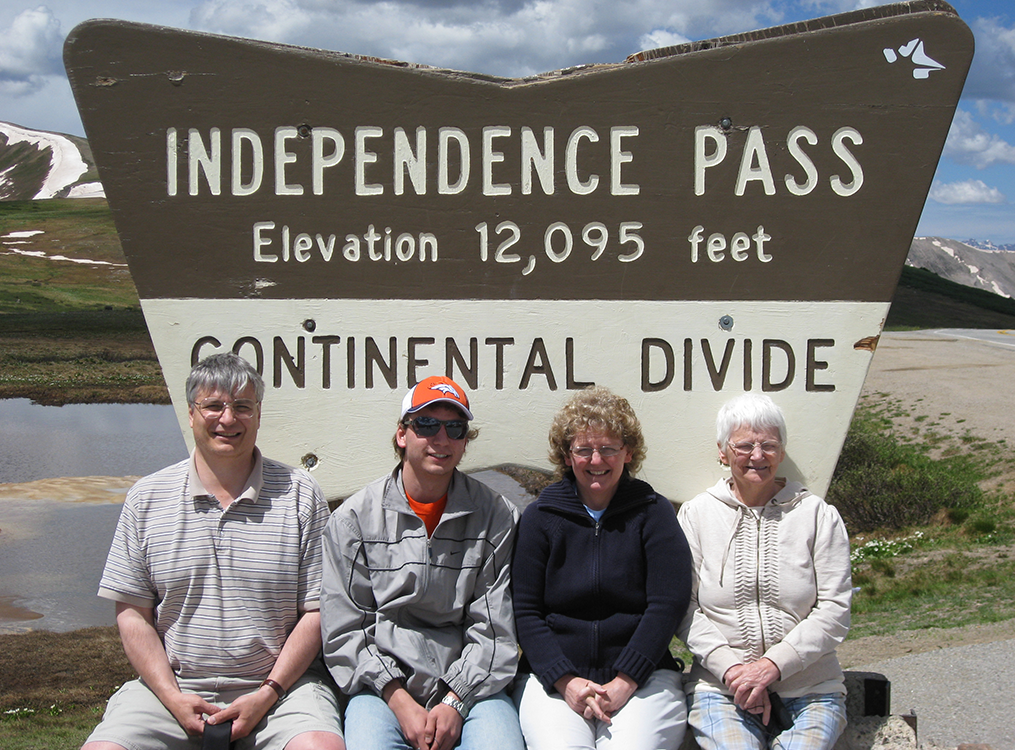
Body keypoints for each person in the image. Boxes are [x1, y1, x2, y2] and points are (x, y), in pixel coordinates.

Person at [82, 352, 344, 750]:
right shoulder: (146, 498)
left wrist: (268, 692)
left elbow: (317, 612)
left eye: (243, 406)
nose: (228, 418)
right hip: (172, 687)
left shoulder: (300, 494)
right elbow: (133, 613)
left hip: (282, 688)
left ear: (258, 415)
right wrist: (171, 696)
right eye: (214, 406)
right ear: (191, 413)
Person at [320, 375, 524, 750]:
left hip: (473, 687)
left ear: (465, 441)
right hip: (383, 688)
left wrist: (455, 700)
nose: (441, 439)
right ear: (402, 434)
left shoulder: (497, 516)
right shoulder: (353, 520)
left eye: (455, 428)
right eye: (427, 425)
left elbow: (495, 629)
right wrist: (398, 699)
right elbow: (346, 630)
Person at [511, 385, 693, 750]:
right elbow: (525, 611)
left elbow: (667, 605)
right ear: (567, 456)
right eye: (584, 450)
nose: (597, 460)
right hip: (554, 682)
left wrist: (626, 680)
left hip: (644, 679)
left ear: (628, 452)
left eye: (609, 448)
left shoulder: (653, 512)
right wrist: (565, 681)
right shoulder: (540, 517)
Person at [678, 393, 852, 750]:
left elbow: (835, 610)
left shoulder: (818, 515)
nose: (757, 456)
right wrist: (734, 672)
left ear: (782, 452)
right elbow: (684, 609)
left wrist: (772, 666)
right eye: (744, 446)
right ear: (723, 452)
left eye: (769, 445)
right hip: (722, 688)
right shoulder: (696, 516)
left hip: (812, 687)